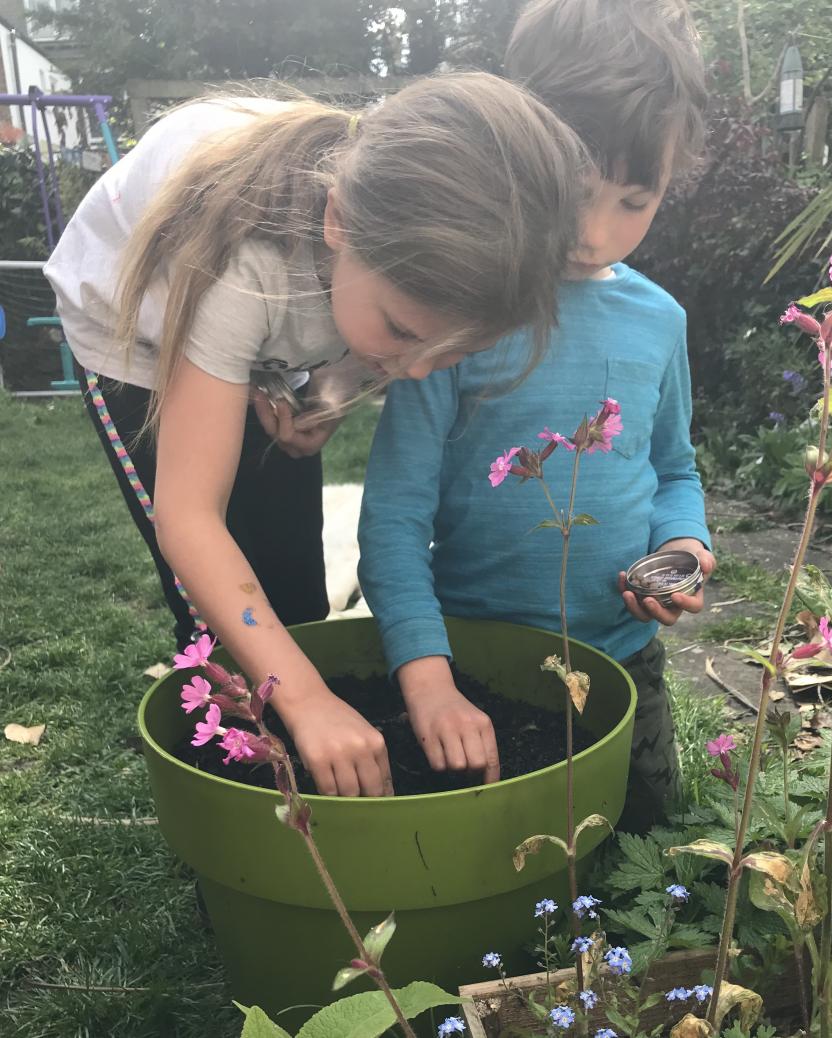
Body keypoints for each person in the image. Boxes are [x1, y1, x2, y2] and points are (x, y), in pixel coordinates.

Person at [44, 72, 591, 798]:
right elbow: (189, 518)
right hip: (131, 332)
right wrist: (300, 699)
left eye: (451, 353)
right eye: (402, 332)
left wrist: (324, 395)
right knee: (212, 601)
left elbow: (358, 333)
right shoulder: (246, 266)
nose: (418, 371)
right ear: (338, 222)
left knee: (288, 576)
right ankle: (239, 776)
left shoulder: (392, 266)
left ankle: (300, 717)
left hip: (263, 319)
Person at [358, 0, 714, 828]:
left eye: (635, 200)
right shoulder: (461, 308)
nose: (595, 233)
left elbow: (674, 468)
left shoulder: (660, 319)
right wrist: (428, 676)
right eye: (578, 192)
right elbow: (395, 515)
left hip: (625, 662)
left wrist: (685, 545)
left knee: (644, 863)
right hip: (474, 673)